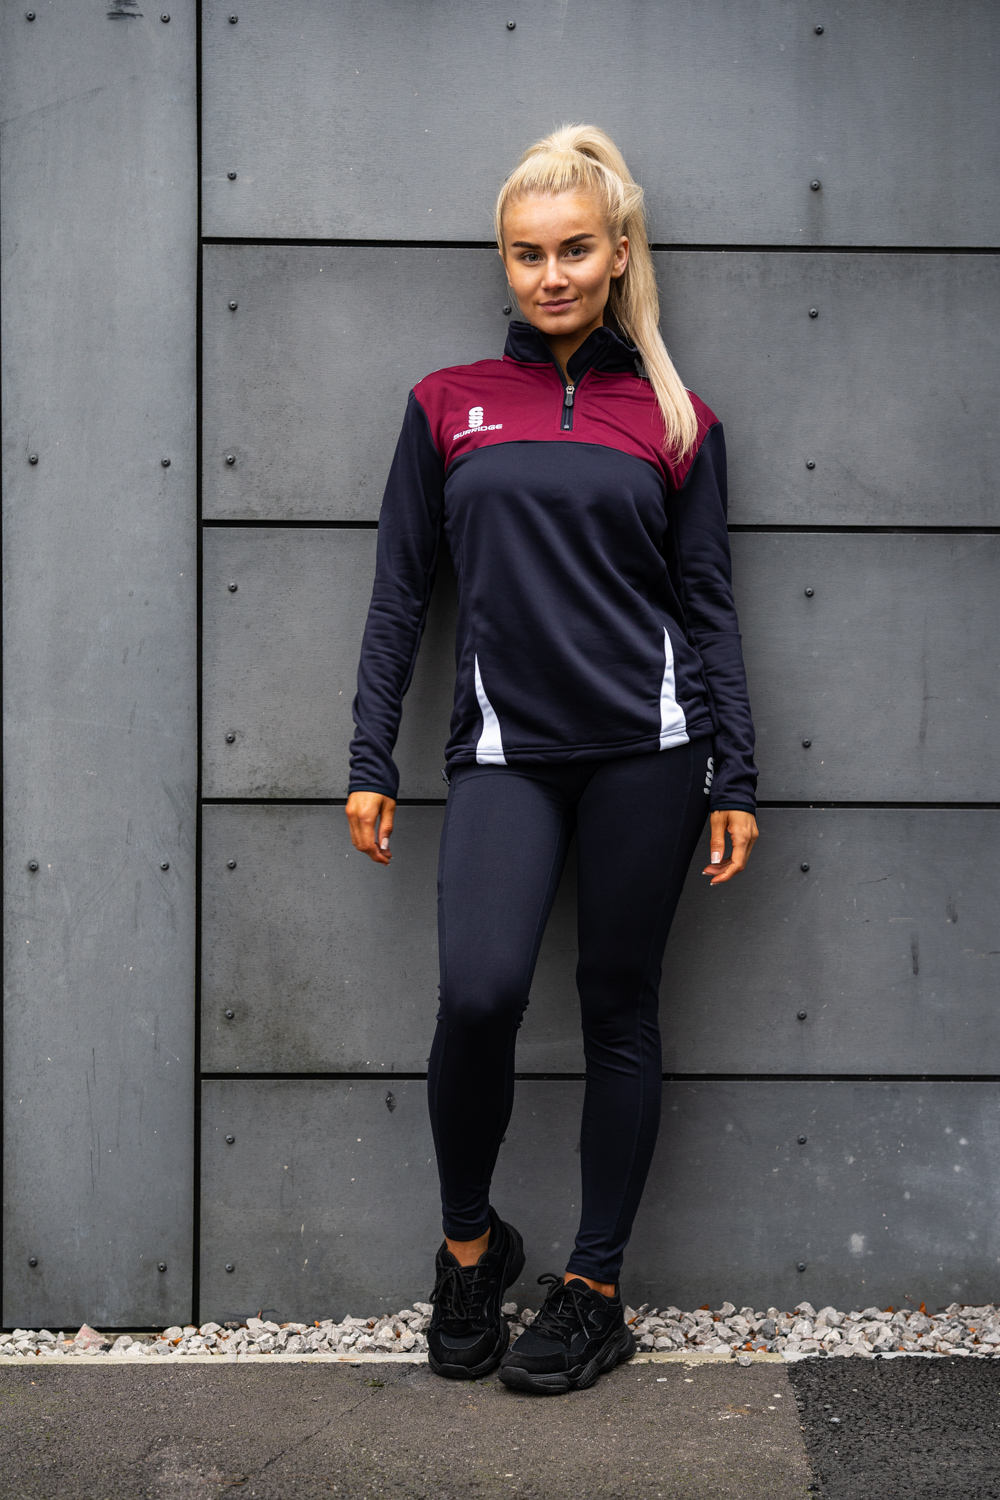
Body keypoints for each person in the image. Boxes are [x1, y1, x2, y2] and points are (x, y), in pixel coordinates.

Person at [345, 125, 758, 1395]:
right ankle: (472, 1250)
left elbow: (707, 606)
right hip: (504, 755)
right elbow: (400, 594)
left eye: (574, 249)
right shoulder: (446, 403)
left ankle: (594, 1290)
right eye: (527, 254)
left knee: (619, 1007)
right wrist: (368, 755)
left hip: (651, 751)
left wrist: (735, 776)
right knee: (478, 996)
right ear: (506, 263)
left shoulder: (676, 417)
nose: (551, 274)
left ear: (618, 251)